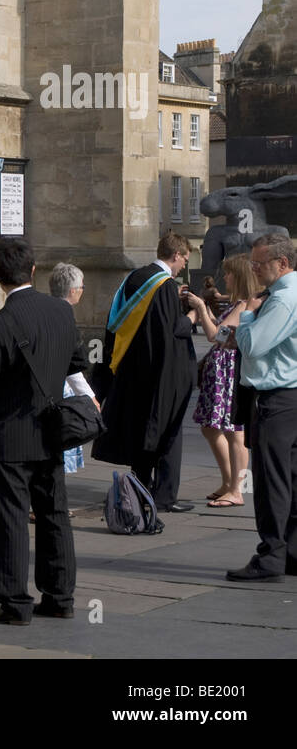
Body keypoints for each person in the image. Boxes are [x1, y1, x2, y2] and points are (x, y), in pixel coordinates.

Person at [0, 238, 87, 625]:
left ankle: (15, 603)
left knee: (11, 519)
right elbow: (75, 362)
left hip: (13, 433)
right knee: (54, 515)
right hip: (52, 430)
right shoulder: (61, 311)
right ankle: (60, 596)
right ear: (33, 271)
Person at [90, 233, 198, 514]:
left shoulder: (134, 278)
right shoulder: (163, 285)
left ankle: (140, 488)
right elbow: (171, 331)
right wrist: (192, 317)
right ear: (176, 255)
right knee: (167, 431)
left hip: (131, 369)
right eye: (184, 259)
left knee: (141, 429)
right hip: (160, 373)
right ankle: (164, 497)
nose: (183, 265)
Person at [226, 233, 297, 582]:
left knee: (271, 482)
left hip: (279, 399)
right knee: (292, 479)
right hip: (290, 396)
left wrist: (248, 316)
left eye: (259, 263)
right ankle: (291, 554)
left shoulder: (283, 300)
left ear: (282, 263)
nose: (254, 269)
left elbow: (253, 345)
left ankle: (270, 557)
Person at [183, 255, 261, 509]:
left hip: (230, 373)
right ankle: (229, 482)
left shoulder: (245, 305)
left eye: (228, 273)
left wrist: (201, 309)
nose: (224, 278)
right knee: (211, 428)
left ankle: (237, 489)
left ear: (238, 276)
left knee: (234, 432)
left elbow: (216, 335)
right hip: (220, 373)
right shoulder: (238, 303)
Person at [49, 263, 101, 482]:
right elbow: (71, 365)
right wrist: (89, 396)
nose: (82, 290)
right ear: (72, 291)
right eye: (81, 287)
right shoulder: (63, 315)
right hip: (59, 390)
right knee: (59, 444)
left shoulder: (48, 310)